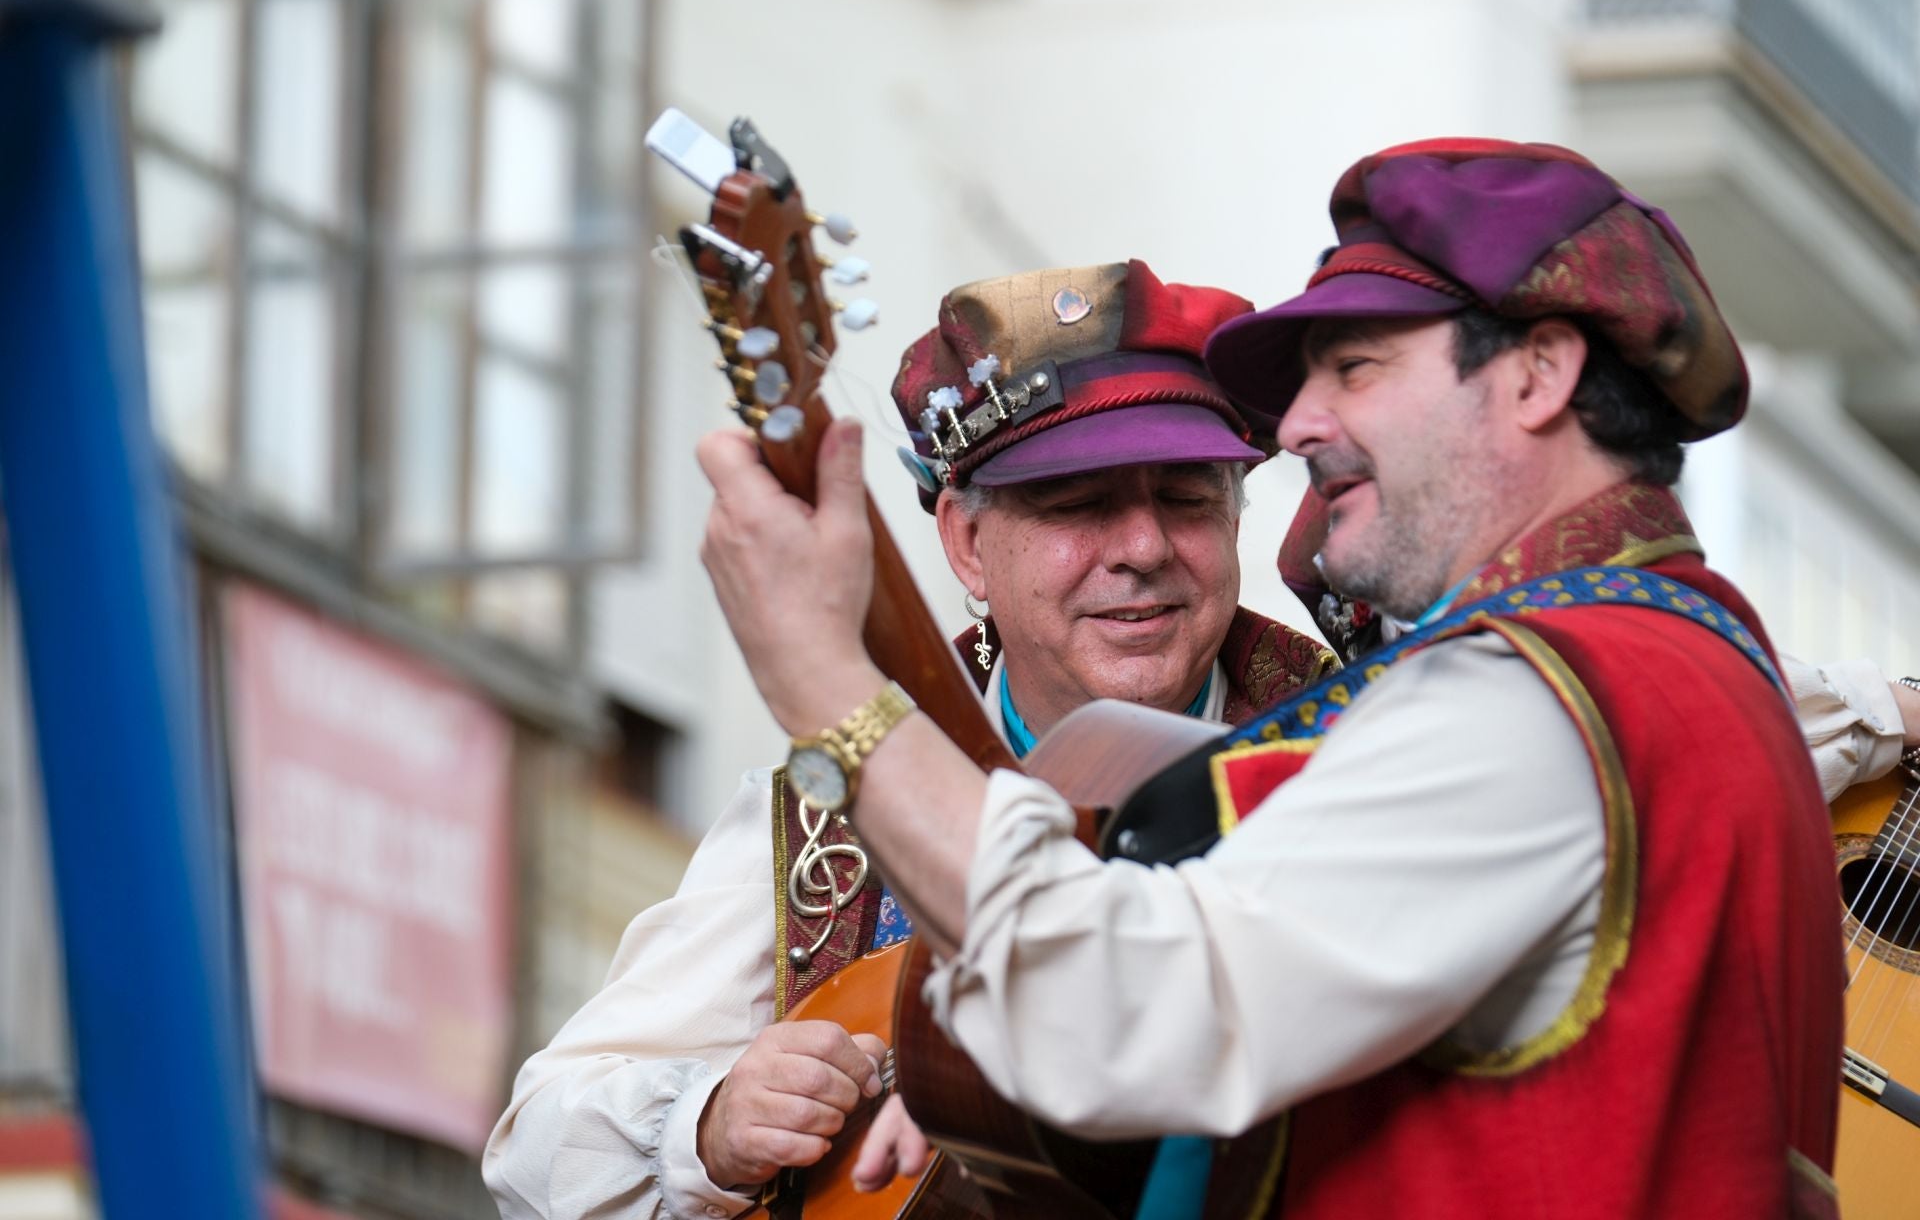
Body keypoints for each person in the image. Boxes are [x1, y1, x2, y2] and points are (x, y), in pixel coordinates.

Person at [690, 140, 1862, 1218]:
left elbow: (1127, 1014)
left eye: (1355, 366)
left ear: (1538, 373)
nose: (1297, 423)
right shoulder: (1675, 656)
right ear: (963, 540)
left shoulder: (1533, 695)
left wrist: (828, 688)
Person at [483, 260, 1337, 1220]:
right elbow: (533, 1150)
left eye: (1186, 498)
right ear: (968, 544)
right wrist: (713, 1127)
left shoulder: (1350, 744)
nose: (1142, 548)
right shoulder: (825, 799)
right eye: (1079, 505)